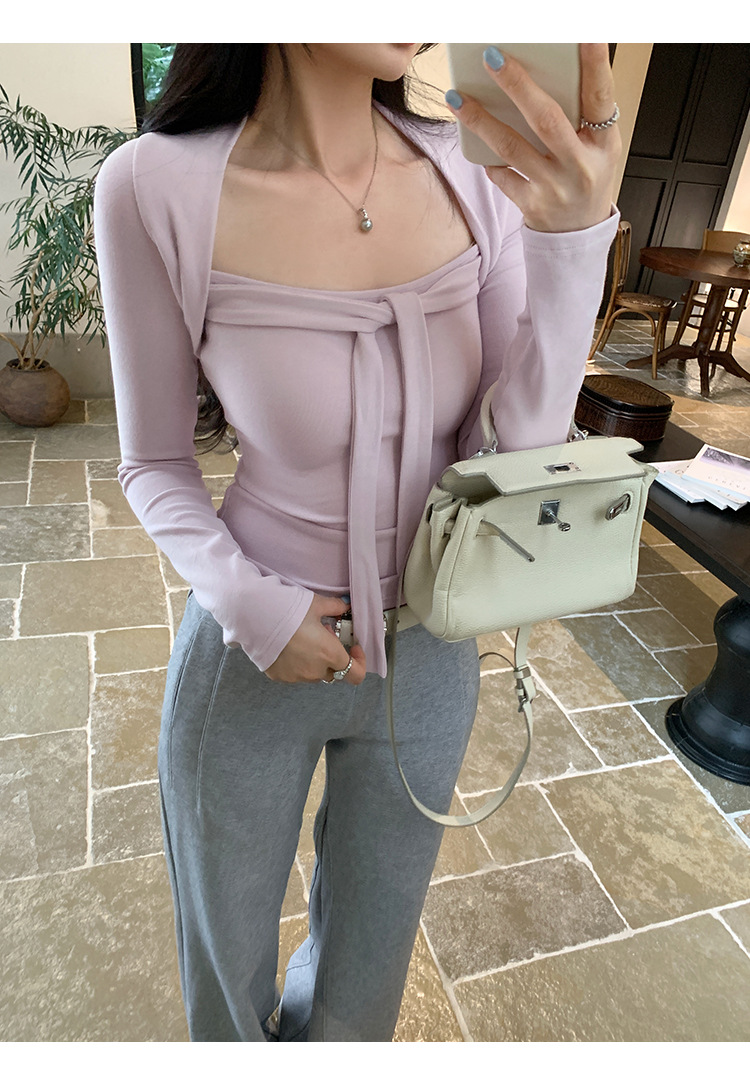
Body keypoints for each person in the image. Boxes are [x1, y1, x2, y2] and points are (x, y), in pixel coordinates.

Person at [93, 43, 620, 1042]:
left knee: (365, 984)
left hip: (430, 650)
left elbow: (519, 458)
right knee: (225, 973)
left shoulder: (474, 172)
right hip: (253, 655)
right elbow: (152, 464)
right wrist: (256, 610)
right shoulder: (151, 189)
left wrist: (572, 246)